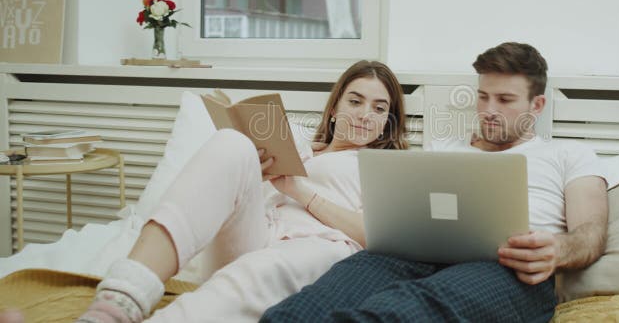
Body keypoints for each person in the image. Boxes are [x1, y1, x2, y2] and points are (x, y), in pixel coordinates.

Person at [260, 42, 609, 322]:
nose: (489, 108)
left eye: (504, 100)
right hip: (409, 255)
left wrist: (559, 250)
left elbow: (592, 232)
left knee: (398, 311)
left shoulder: (569, 155)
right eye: (483, 96)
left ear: (538, 104)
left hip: (508, 269)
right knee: (301, 310)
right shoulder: (440, 149)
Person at [77, 60, 408, 323]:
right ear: (334, 108)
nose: (366, 115)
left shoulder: (383, 165)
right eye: (355, 101)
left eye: (379, 108)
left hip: (313, 247)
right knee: (233, 143)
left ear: (388, 120)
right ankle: (120, 299)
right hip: (255, 234)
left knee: (256, 271)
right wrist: (258, 175)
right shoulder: (304, 148)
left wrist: (299, 190)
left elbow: (378, 234)